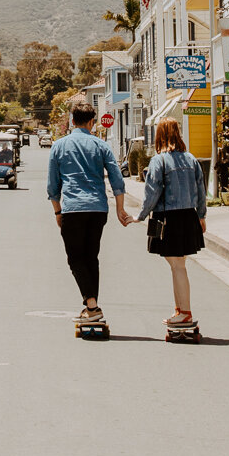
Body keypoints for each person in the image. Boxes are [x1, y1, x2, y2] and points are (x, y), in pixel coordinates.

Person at [47, 98, 129, 324]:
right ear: (92, 122)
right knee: (91, 257)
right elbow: (116, 178)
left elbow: (53, 186)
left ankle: (92, 305)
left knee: (75, 258)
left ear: (73, 121)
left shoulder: (59, 146)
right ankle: (92, 307)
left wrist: (57, 212)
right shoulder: (102, 146)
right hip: (98, 209)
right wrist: (120, 209)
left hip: (73, 209)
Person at [131, 118, 206, 329]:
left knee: (177, 266)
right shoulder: (191, 160)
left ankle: (185, 312)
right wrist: (201, 216)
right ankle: (180, 310)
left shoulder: (159, 161)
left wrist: (141, 215)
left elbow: (152, 192)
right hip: (188, 216)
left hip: (168, 217)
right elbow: (201, 191)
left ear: (160, 135)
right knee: (178, 265)